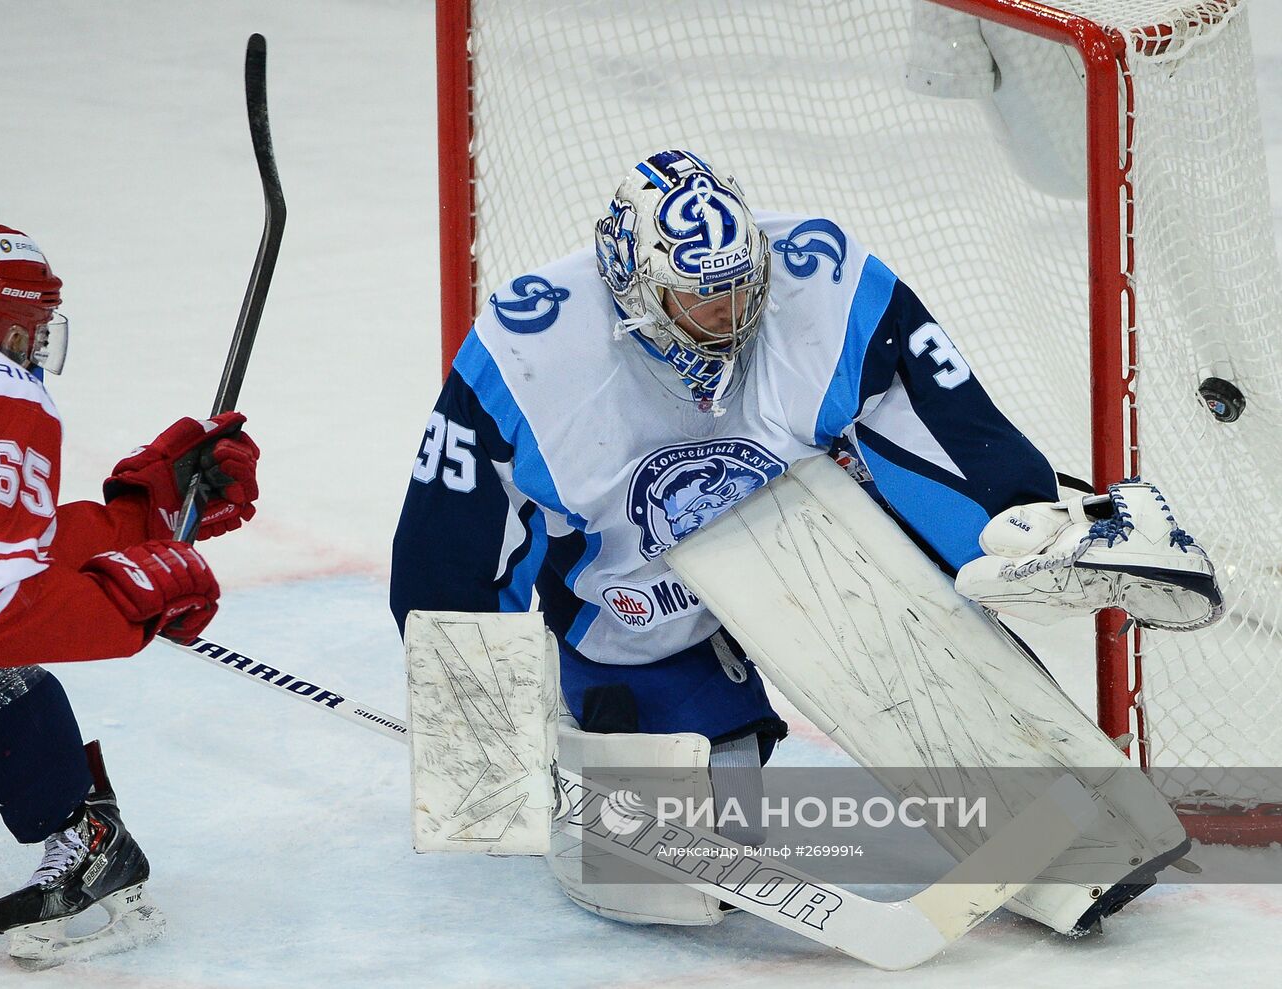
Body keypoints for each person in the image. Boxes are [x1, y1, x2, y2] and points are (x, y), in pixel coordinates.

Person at [390, 150, 1219, 932]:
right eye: (700, 300)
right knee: (681, 868)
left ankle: (1078, 838)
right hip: (636, 609)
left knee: (923, 641)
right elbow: (450, 546)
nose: (730, 319)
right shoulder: (527, 353)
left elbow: (938, 431)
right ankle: (670, 734)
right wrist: (482, 743)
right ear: (634, 290)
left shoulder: (822, 277)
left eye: (744, 290)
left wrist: (1019, 524)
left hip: (812, 550)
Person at [0, 176, 260, 965]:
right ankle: (75, 828)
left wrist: (136, 517)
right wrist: (132, 606)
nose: (33, 351)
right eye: (28, 332)